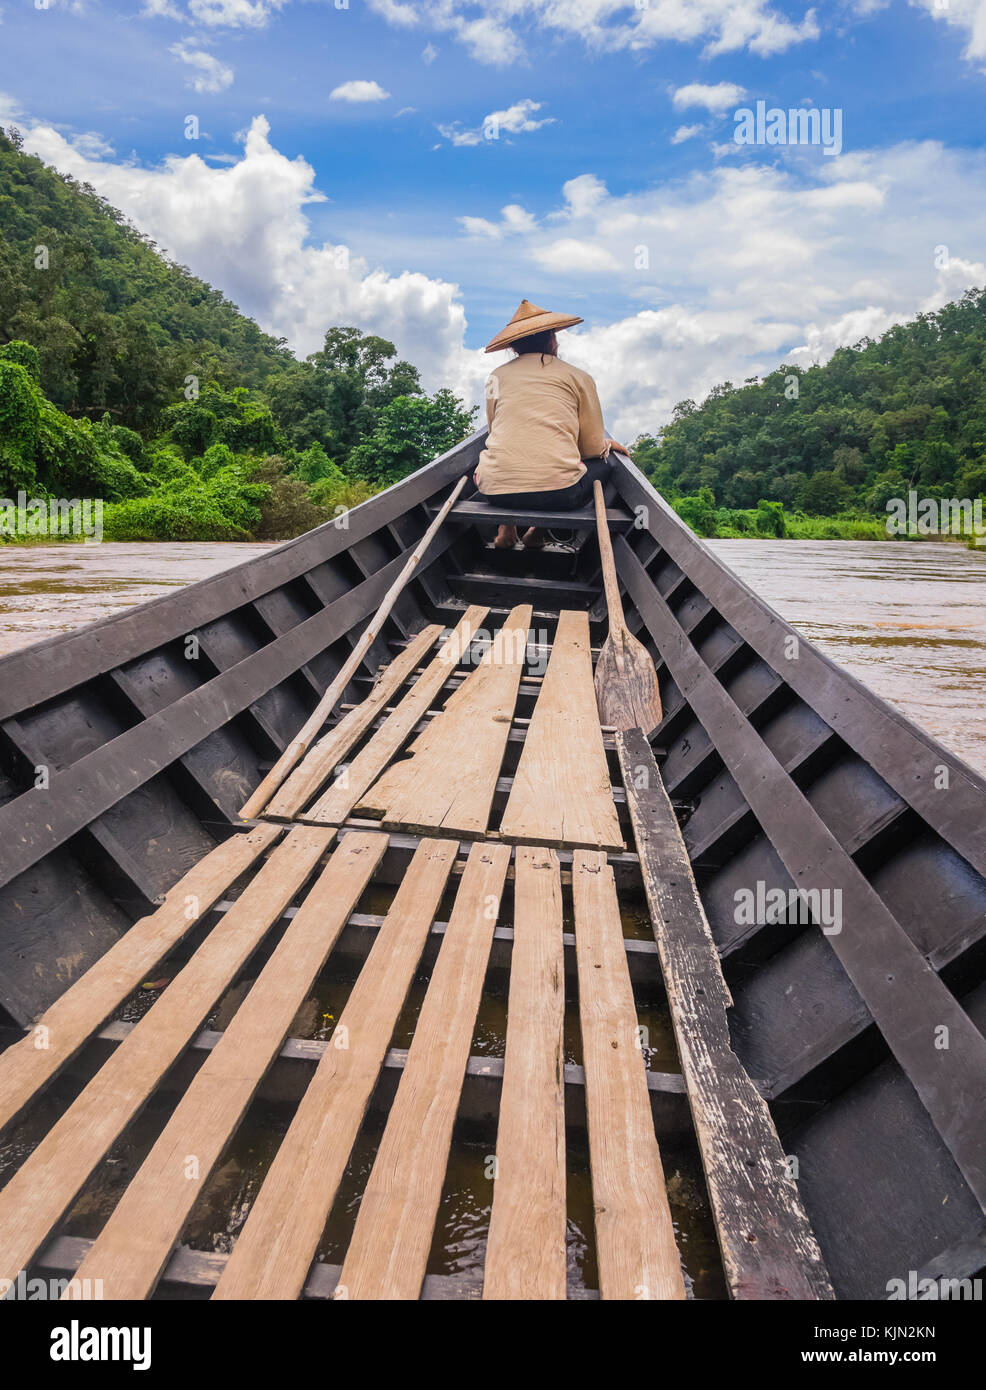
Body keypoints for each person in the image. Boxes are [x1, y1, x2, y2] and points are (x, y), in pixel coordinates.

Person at [473, 298, 628, 548]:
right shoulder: (579, 377)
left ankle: (507, 530)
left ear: (513, 347)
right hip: (560, 495)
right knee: (606, 464)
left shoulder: (495, 377)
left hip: (494, 491)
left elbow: (494, 429)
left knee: (507, 459)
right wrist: (606, 444)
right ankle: (537, 532)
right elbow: (590, 448)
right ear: (552, 340)